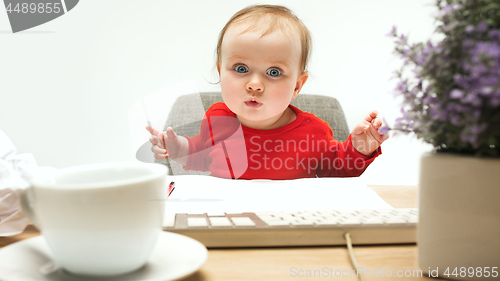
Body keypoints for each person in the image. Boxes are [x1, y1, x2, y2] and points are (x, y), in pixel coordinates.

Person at [146, 4, 388, 180]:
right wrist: (179, 149)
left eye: (273, 72)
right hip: (228, 217)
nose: (254, 84)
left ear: (296, 86)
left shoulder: (313, 131)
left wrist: (358, 149)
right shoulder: (217, 118)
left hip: (288, 223)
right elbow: (203, 157)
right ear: (221, 72)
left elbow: (339, 171)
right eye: (241, 68)